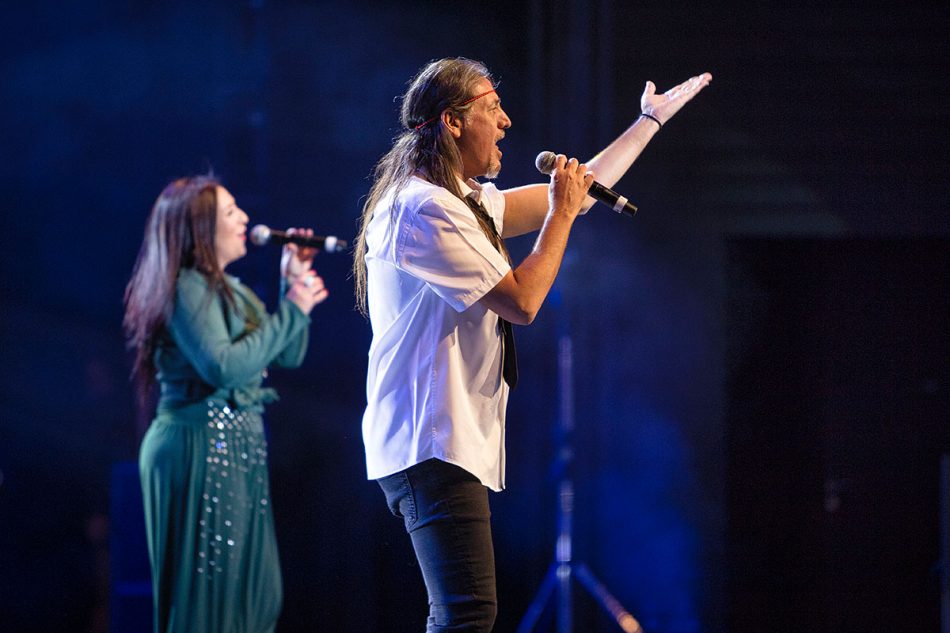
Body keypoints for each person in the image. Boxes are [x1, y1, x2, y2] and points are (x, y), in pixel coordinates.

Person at [352, 57, 711, 632]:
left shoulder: (459, 200)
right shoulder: (424, 208)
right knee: (466, 614)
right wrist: (561, 213)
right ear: (452, 121)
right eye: (492, 108)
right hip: (430, 437)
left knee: (464, 613)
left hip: (444, 437)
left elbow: (580, 193)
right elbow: (522, 301)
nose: (506, 121)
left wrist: (648, 121)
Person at [123, 175, 328, 633]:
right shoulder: (185, 286)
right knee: (208, 602)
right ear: (199, 228)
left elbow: (286, 355)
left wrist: (291, 285)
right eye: (231, 212)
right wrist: (293, 309)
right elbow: (223, 367)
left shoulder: (233, 291)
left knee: (255, 595)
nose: (245, 219)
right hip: (199, 444)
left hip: (236, 446)